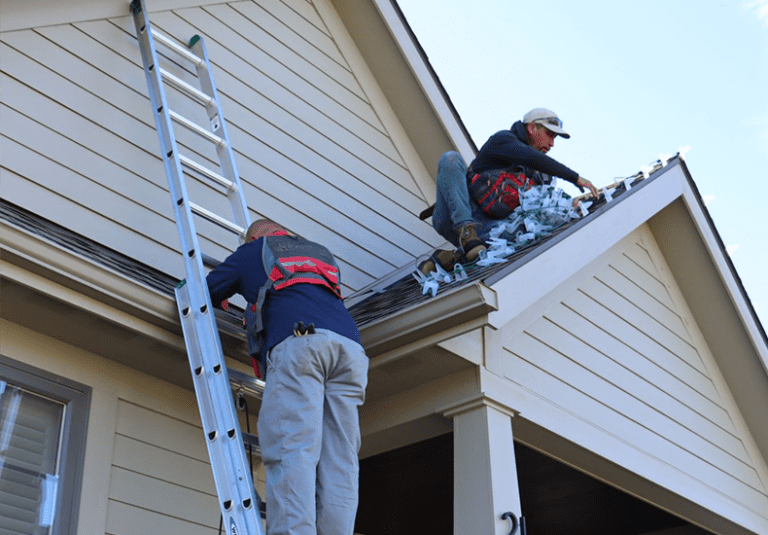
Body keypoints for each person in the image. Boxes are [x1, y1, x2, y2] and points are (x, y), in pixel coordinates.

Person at [206, 219, 369, 535]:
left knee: (293, 449)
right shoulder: (321, 254)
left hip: (301, 344)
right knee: (340, 461)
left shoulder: (255, 250)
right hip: (349, 350)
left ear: (255, 236)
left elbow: (209, 289)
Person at [421, 108, 599, 273]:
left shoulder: (543, 177)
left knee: (534, 228)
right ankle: (467, 234)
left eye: (554, 139)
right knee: (450, 159)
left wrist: (567, 209)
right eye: (549, 135)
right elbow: (528, 156)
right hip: (455, 217)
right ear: (531, 127)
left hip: (489, 231)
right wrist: (574, 177)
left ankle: (452, 258)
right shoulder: (503, 141)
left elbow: (538, 213)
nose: (552, 143)